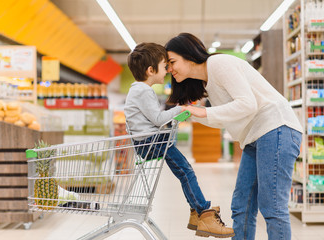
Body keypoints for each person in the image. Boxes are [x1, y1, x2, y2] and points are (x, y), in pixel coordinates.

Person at [165, 33, 303, 240]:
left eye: (172, 62)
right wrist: (191, 113)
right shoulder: (207, 83)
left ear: (189, 55)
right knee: (242, 206)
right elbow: (224, 119)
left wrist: (202, 112)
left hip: (276, 128)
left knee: (272, 206)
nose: (169, 69)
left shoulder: (218, 64)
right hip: (254, 137)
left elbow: (247, 104)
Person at [124, 42, 235, 238]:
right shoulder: (143, 90)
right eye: (164, 65)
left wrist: (176, 114)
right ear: (151, 70)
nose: (168, 70)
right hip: (151, 142)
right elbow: (157, 120)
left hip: (149, 141)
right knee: (186, 171)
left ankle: (197, 212)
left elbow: (152, 120)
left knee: (183, 171)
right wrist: (182, 109)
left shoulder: (137, 90)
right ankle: (203, 213)